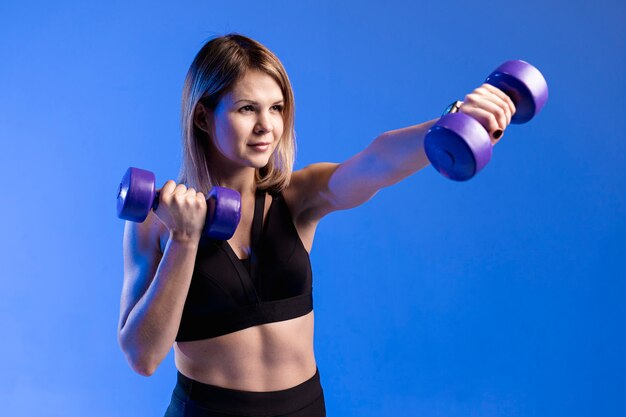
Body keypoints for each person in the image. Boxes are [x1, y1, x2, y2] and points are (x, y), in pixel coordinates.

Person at [117, 33, 515, 417]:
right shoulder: (157, 221)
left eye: (276, 108)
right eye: (246, 109)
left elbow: (376, 163)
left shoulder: (298, 197)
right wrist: (184, 240)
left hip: (304, 408)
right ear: (203, 116)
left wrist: (452, 123)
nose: (266, 126)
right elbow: (143, 357)